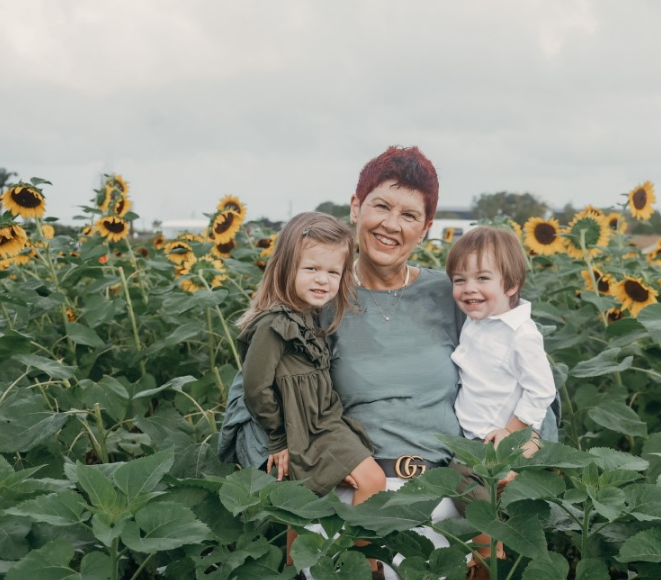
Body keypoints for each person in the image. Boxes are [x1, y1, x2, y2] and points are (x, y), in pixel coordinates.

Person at [219, 146, 558, 579]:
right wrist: (300, 473)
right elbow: (247, 402)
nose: (391, 224)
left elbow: (532, 383)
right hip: (346, 503)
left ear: (426, 228)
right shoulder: (317, 293)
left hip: (449, 502)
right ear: (356, 208)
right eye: (381, 206)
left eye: (409, 215)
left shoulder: (457, 295)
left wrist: (523, 447)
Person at [235, 211, 386, 506]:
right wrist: (279, 437)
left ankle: (327, 539)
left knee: (305, 506)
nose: (322, 280)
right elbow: (255, 388)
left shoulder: (310, 317)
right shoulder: (274, 324)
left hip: (322, 423)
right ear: (286, 267)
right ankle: (360, 539)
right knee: (371, 481)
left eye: (333, 272)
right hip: (303, 430)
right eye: (311, 268)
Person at [445, 226, 557, 577]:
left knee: (469, 494)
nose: (469, 288)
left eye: (482, 278)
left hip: (498, 442)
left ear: (511, 285)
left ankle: (490, 558)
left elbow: (542, 390)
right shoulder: (479, 320)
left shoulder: (520, 334)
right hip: (474, 438)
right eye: (460, 280)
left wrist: (513, 432)